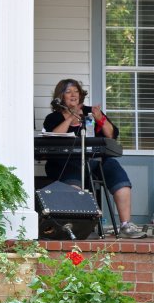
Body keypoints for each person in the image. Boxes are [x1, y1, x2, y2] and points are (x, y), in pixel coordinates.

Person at [43, 78, 146, 239]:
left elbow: (111, 135)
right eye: (68, 92)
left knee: (117, 174)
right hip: (66, 162)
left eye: (76, 91)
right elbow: (53, 137)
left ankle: (126, 226)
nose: (73, 95)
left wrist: (101, 120)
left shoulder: (91, 112)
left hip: (95, 160)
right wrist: (70, 117)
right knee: (73, 180)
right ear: (61, 96)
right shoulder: (53, 117)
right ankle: (80, 227)